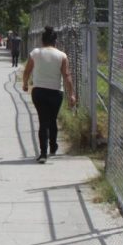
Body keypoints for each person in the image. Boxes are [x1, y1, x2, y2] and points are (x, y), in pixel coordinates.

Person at [22, 26, 76, 163]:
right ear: (55, 41)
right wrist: (71, 94)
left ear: (42, 40)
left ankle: (43, 154)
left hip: (39, 92)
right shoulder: (62, 55)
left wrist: (25, 83)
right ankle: (53, 146)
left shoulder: (35, 53)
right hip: (56, 93)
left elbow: (27, 70)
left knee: (43, 121)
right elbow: (67, 76)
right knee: (52, 119)